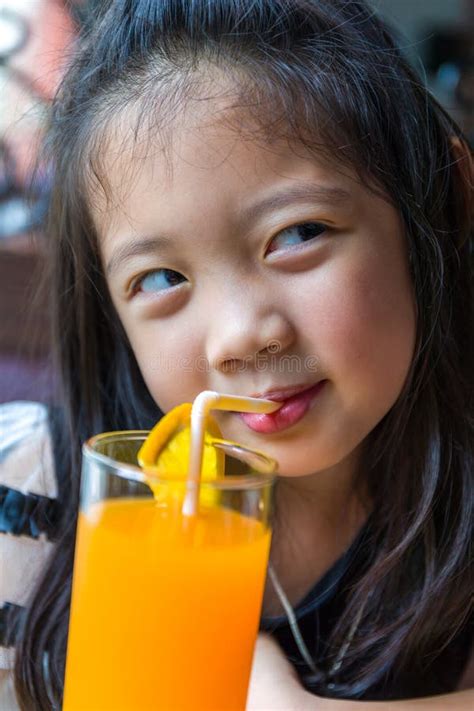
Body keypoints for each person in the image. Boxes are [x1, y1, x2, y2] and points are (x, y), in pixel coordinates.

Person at [0, 1, 472, 709]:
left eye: (297, 233)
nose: (242, 335)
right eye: (161, 279)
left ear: (432, 205)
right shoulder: (32, 496)